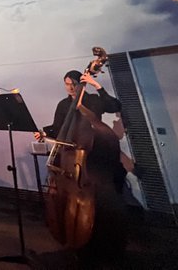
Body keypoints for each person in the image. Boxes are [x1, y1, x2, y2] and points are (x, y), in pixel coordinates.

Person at [35, 70, 127, 264]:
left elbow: (114, 106)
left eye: (73, 84)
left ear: (80, 83)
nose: (70, 88)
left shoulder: (92, 100)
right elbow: (58, 128)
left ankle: (99, 244)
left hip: (89, 162)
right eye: (66, 84)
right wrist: (44, 132)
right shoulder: (63, 104)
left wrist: (96, 85)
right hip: (69, 163)